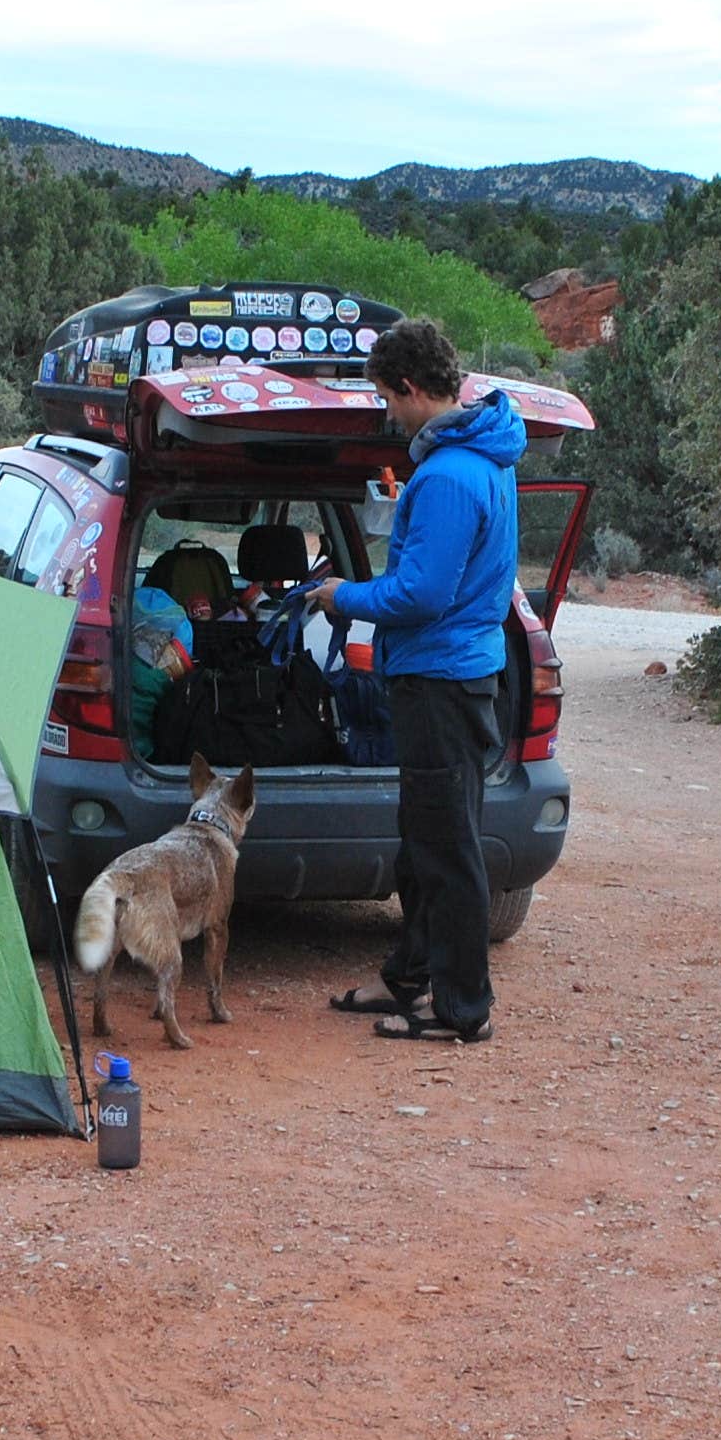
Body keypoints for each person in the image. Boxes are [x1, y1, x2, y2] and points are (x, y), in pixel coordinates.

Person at [302, 317, 522, 1043]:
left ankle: (462, 1010)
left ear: (407, 387)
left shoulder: (451, 475)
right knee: (423, 838)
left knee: (446, 847)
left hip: (441, 679)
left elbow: (419, 595)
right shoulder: (479, 460)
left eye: (388, 402)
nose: (388, 417)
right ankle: (408, 979)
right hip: (452, 675)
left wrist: (342, 597)